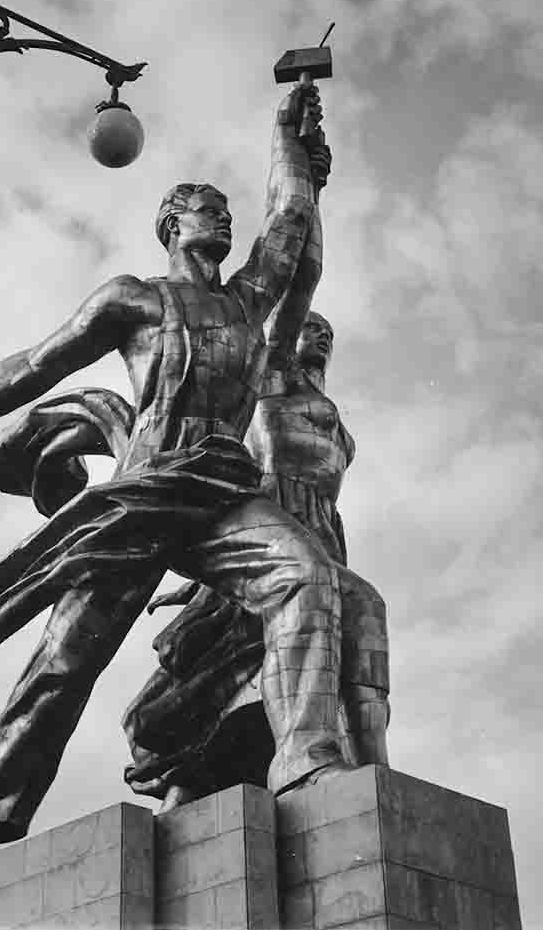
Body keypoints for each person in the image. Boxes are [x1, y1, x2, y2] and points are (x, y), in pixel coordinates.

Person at [0, 81, 336, 881]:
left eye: (227, 210)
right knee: (64, 660)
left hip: (224, 490)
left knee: (305, 575)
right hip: (146, 487)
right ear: (172, 222)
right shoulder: (135, 299)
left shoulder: (245, 301)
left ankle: (307, 762)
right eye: (207, 208)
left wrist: (290, 149)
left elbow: (290, 229)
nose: (223, 218)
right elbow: (33, 364)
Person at [122, 311, 389, 811]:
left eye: (330, 331)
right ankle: (198, 777)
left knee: (363, 617)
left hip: (320, 539)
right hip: (264, 535)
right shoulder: (266, 380)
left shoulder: (333, 421)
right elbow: (288, 298)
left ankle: (374, 772)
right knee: (228, 676)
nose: (323, 335)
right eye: (313, 327)